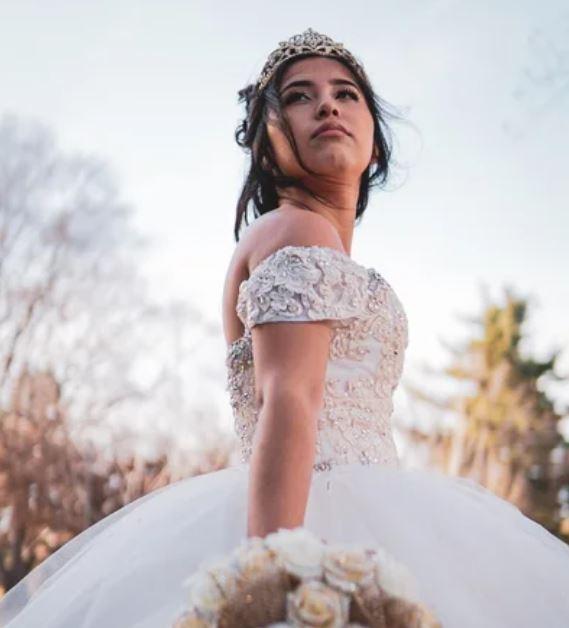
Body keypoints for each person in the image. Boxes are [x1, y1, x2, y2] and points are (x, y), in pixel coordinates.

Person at [1, 27, 569, 628]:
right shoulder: (299, 229)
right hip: (311, 518)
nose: (327, 105)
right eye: (300, 96)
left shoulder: (294, 237)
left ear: (376, 147)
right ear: (267, 146)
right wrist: (275, 580)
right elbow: (290, 395)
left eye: (346, 94)